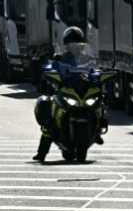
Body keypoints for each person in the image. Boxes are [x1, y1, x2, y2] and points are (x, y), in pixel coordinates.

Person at [33, 26, 105, 162]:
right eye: (72, 44)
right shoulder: (59, 58)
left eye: (78, 44)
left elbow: (95, 69)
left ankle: (99, 126)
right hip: (65, 88)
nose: (75, 47)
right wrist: (48, 72)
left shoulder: (88, 58)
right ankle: (41, 152)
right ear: (66, 45)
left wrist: (98, 75)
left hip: (82, 89)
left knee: (100, 102)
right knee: (49, 113)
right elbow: (50, 67)